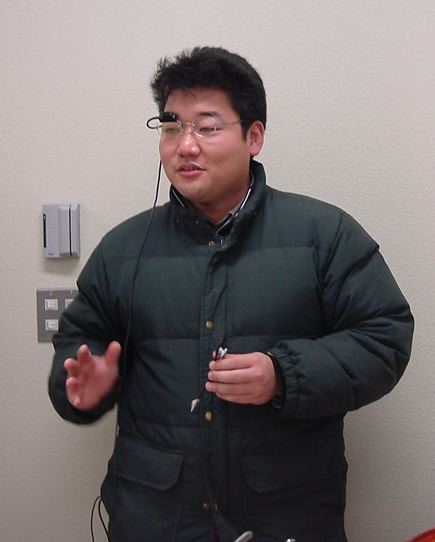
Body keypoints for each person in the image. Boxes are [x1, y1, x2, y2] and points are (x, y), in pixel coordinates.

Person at [48, 46, 414, 542]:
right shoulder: (122, 250)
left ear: (254, 136)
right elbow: (78, 345)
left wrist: (283, 375)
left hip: (285, 512)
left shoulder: (325, 234)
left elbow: (385, 339)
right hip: (156, 515)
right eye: (172, 127)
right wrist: (81, 389)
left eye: (207, 127)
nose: (185, 145)